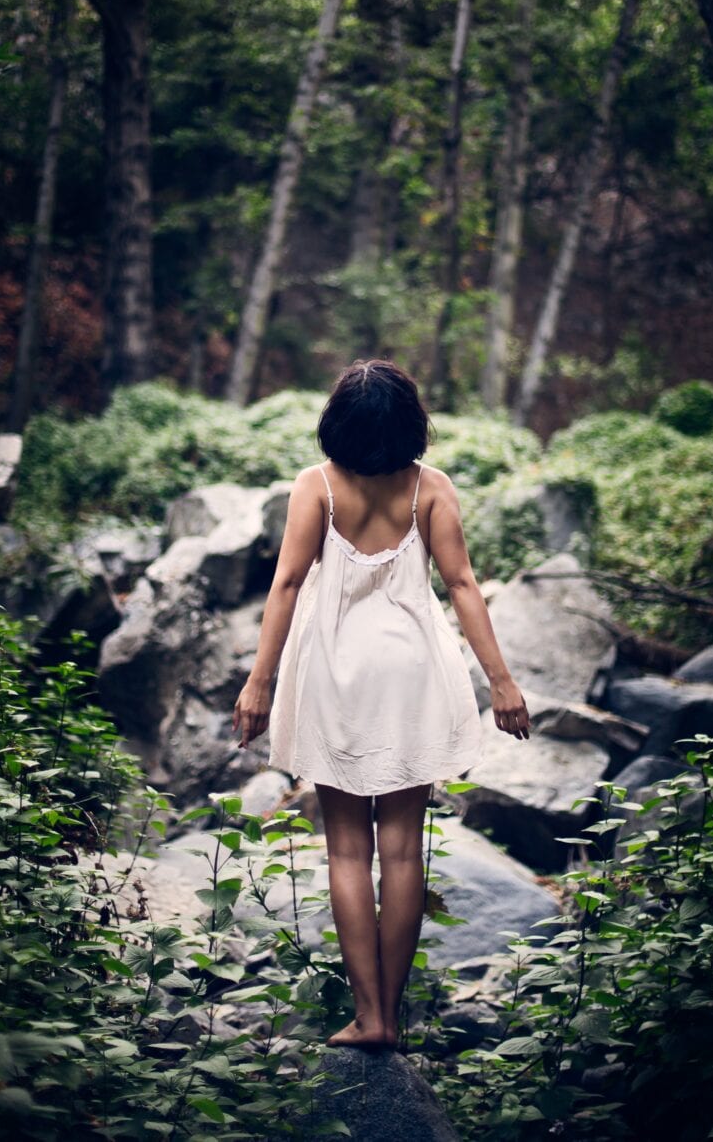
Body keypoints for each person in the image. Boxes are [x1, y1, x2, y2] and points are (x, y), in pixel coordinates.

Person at [232, 359, 529, 1049]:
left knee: (345, 852)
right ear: (409, 423)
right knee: (401, 853)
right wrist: (502, 682)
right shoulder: (431, 486)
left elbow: (285, 587)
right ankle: (391, 1018)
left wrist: (259, 682)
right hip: (409, 669)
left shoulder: (317, 486)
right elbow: (461, 585)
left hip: (335, 670)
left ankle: (365, 1017)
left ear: (338, 420)